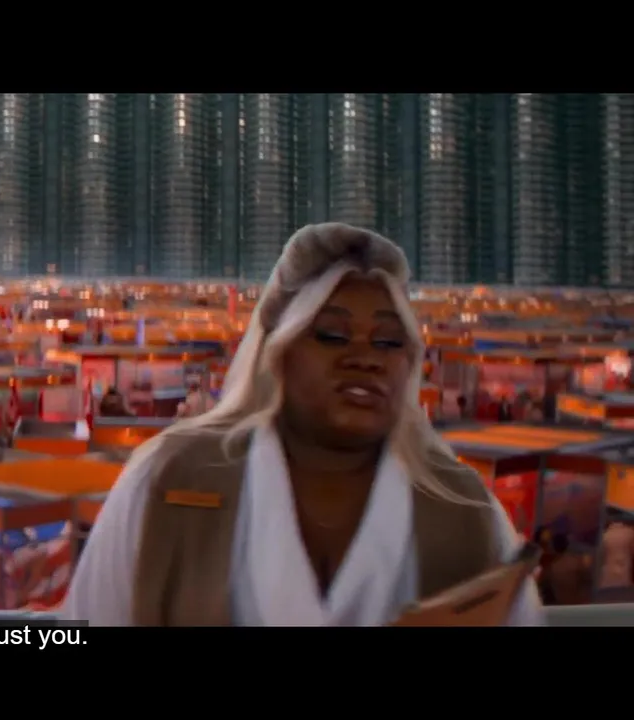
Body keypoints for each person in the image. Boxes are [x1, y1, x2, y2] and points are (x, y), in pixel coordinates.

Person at [61, 222, 545, 626]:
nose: (366, 359)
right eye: (332, 335)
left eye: (388, 342)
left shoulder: (467, 511)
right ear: (279, 353)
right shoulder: (168, 482)